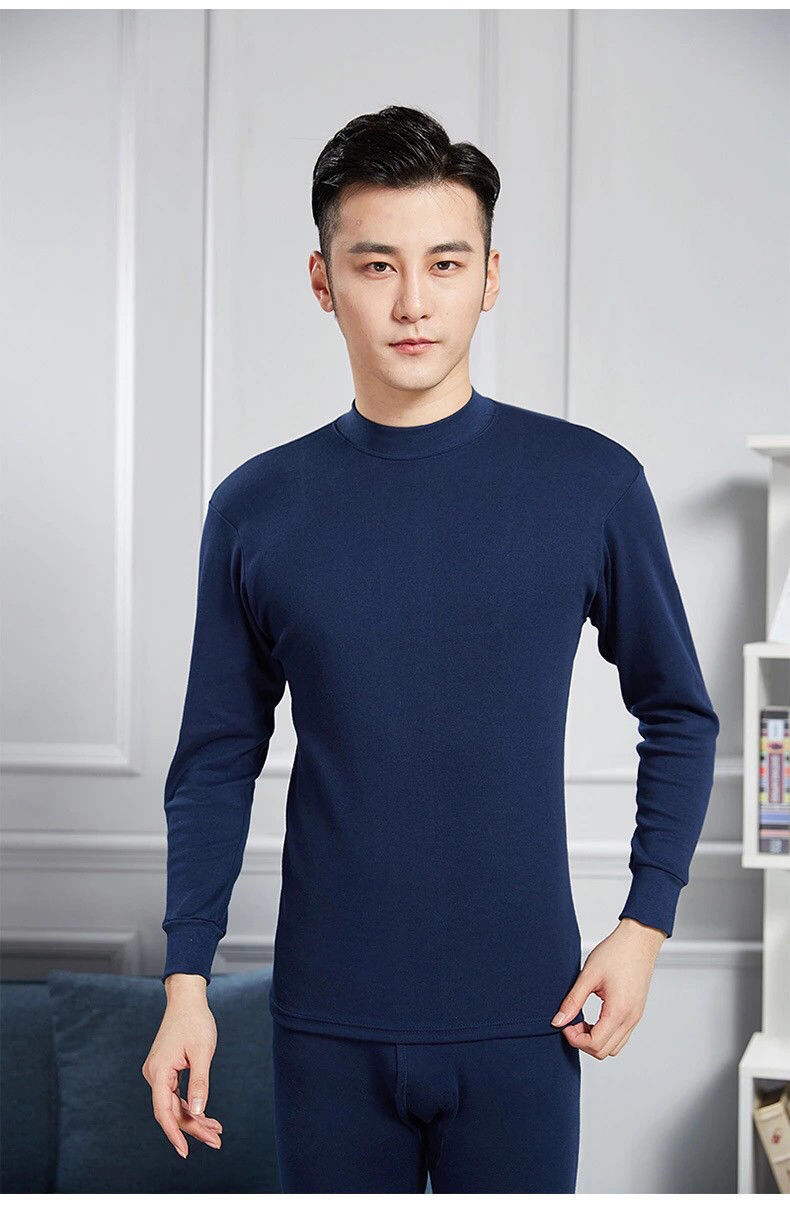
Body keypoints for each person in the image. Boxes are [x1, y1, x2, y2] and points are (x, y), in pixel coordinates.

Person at [141, 105, 719, 1192]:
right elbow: (214, 758)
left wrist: (645, 921)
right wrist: (185, 980)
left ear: (489, 278)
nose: (413, 302)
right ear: (323, 282)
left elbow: (679, 712)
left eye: (445, 263)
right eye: (376, 265)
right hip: (324, 1025)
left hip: (526, 1015)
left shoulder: (590, 486)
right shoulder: (256, 509)